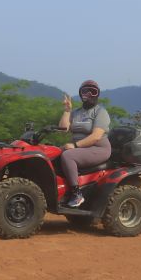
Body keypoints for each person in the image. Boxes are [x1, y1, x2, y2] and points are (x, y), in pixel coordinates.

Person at [56, 79, 112, 208]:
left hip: (98, 148)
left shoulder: (100, 112)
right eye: (85, 91)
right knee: (53, 153)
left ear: (97, 94)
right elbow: (63, 130)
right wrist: (67, 110)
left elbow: (96, 136)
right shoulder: (76, 112)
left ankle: (76, 194)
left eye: (92, 91)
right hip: (81, 149)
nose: (88, 94)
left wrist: (75, 146)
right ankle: (61, 191)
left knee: (68, 155)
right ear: (81, 94)